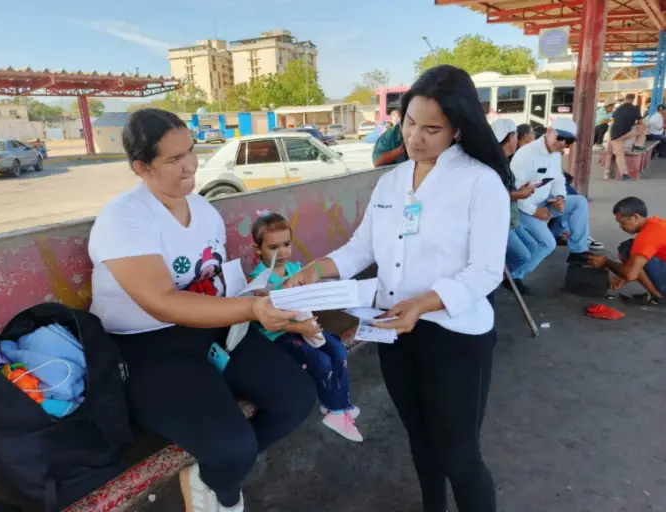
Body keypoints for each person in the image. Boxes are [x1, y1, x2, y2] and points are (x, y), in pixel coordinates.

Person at [285, 65, 510, 512]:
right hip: (394, 334)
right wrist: (315, 270)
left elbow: (485, 271)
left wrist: (422, 304)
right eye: (409, 122)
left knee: (459, 456)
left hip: (455, 336)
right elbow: (359, 249)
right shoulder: (391, 182)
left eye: (431, 129)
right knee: (422, 443)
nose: (415, 138)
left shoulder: (480, 183)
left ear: (458, 129)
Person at [87, 108, 315, 512]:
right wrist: (252, 309)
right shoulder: (125, 218)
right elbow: (162, 302)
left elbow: (216, 281)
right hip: (146, 349)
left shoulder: (205, 211)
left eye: (190, 151)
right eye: (174, 159)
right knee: (232, 444)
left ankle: (214, 471)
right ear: (142, 167)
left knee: (296, 398)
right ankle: (223, 489)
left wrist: (275, 306)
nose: (190, 164)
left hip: (212, 329)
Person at [248, 212, 364, 442]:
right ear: (258, 249)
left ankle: (340, 407)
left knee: (338, 350)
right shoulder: (258, 282)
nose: (282, 252)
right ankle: (336, 408)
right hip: (280, 334)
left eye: (287, 244)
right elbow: (270, 320)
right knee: (320, 363)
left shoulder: (295, 270)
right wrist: (302, 327)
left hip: (305, 326)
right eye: (273, 247)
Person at [511, 118, 598, 265]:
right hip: (523, 209)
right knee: (548, 244)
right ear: (549, 131)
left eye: (568, 141)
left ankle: (578, 251)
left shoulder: (556, 154)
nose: (563, 143)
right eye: (560, 137)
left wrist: (560, 198)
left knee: (579, 202)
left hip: (545, 202)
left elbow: (558, 180)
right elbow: (515, 193)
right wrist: (534, 211)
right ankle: (515, 276)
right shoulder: (526, 154)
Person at [492, 118, 553, 294]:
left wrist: (520, 190)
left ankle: (509, 277)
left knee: (533, 249)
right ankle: (495, 278)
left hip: (511, 217)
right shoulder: (495, 163)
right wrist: (518, 194)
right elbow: (491, 196)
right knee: (523, 255)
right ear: (511, 137)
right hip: (499, 221)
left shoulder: (504, 160)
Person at [588, 197, 666, 305]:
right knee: (634, 251)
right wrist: (623, 278)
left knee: (628, 250)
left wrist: (606, 262)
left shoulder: (647, 236)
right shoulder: (657, 224)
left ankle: (661, 296)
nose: (621, 227)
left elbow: (630, 274)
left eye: (623, 222)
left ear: (635, 217)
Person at [604, 93, 648, 180]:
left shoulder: (617, 108)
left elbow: (615, 119)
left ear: (625, 99)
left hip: (615, 135)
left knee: (620, 155)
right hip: (626, 134)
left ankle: (624, 174)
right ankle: (637, 145)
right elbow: (640, 122)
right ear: (633, 100)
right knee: (643, 127)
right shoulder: (635, 108)